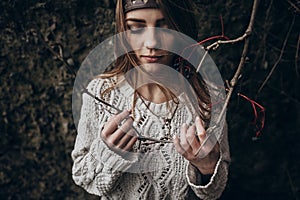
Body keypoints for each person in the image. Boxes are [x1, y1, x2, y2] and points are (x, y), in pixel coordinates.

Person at [72, 0, 230, 199]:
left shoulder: (209, 99)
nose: (151, 43)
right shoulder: (102, 93)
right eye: (137, 28)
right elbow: (82, 176)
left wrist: (207, 169)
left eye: (164, 27)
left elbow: (215, 191)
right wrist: (108, 154)